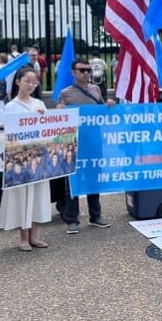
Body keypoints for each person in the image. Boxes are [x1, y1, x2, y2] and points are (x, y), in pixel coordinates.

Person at [56, 58, 115, 234]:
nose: (86, 73)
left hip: (94, 140)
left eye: (88, 70)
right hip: (74, 141)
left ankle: (95, 215)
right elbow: (60, 119)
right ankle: (72, 218)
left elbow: (101, 111)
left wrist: (109, 106)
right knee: (73, 181)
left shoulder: (96, 89)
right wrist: (60, 111)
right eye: (82, 70)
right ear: (74, 72)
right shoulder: (66, 93)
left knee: (94, 177)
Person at [0, 67, 52, 251]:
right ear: (18, 81)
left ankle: (35, 234)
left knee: (37, 195)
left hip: (38, 157)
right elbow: (11, 132)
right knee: (23, 196)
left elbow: (48, 130)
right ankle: (23, 236)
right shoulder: (11, 106)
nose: (31, 85)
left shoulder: (39, 103)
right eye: (27, 81)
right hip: (21, 157)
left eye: (34, 82)